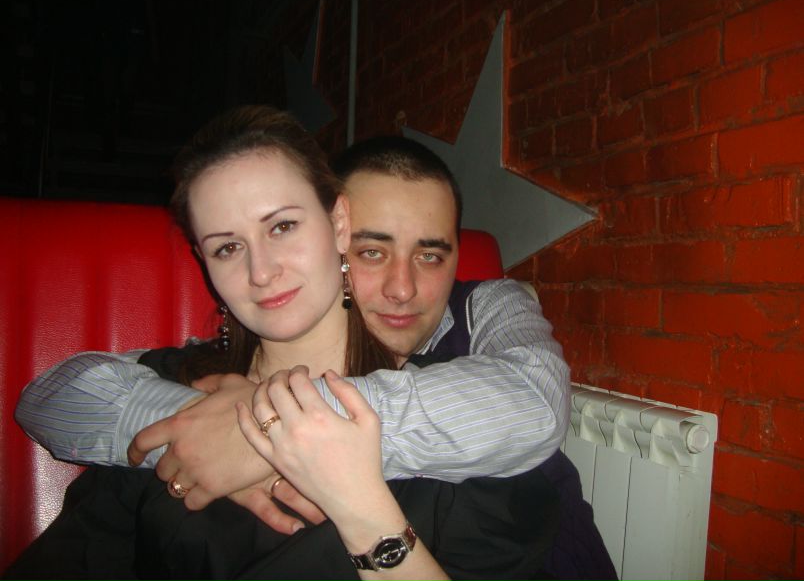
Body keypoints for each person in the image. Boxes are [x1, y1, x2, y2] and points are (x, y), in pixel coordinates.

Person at [14, 135, 614, 579]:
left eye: (431, 256)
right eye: (373, 251)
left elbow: (533, 402)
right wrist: (219, 423)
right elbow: (55, 397)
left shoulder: (482, 346)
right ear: (339, 234)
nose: (403, 288)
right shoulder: (191, 384)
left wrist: (273, 431)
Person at [7, 106, 454, 580]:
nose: (261, 271)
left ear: (338, 222)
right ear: (205, 262)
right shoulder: (169, 393)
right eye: (228, 248)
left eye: (282, 226)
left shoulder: (438, 409)